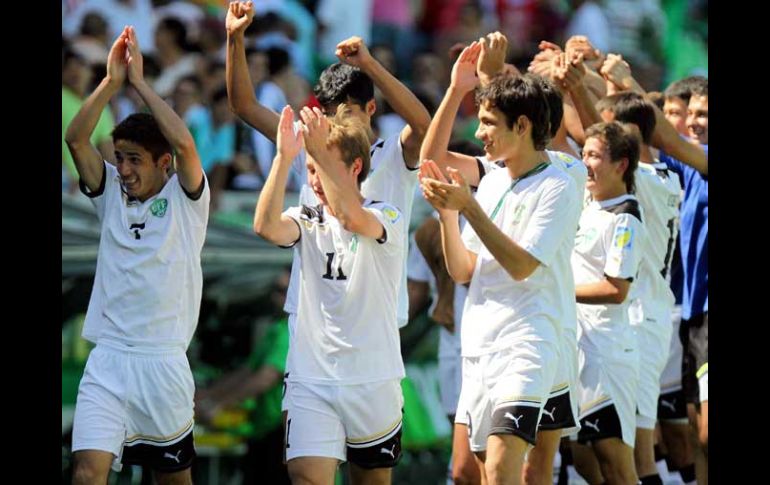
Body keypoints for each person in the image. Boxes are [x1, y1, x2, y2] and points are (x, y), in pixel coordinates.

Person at [419, 41, 580, 484]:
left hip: (530, 339)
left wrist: (467, 210)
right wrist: (449, 217)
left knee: (508, 468)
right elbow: (465, 271)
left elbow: (523, 265)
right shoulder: (491, 182)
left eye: (488, 123)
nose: (480, 133)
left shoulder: (560, 182)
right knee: (481, 474)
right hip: (479, 342)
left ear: (523, 125)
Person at [65, 26, 208, 484]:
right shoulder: (109, 194)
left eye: (134, 160)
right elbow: (76, 140)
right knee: (87, 473)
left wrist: (142, 85)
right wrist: (111, 82)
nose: (123, 169)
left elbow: (185, 145)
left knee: (171, 481)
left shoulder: (188, 203)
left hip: (162, 361)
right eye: (120, 158)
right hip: (107, 359)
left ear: (163, 164)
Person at [254, 105, 407, 485]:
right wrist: (282, 157)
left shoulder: (387, 215)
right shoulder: (306, 217)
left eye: (322, 166)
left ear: (355, 168)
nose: (315, 179)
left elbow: (351, 218)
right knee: (306, 478)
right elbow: (266, 228)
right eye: (309, 170)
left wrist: (318, 149)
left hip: (372, 379)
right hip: (311, 378)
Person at [570, 121, 644, 485]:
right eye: (583, 153)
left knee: (615, 465)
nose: (584, 163)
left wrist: (556, 290)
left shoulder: (625, 216)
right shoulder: (584, 203)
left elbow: (616, 290)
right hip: (574, 349)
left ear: (621, 165)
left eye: (594, 155)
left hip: (606, 355)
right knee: (584, 461)